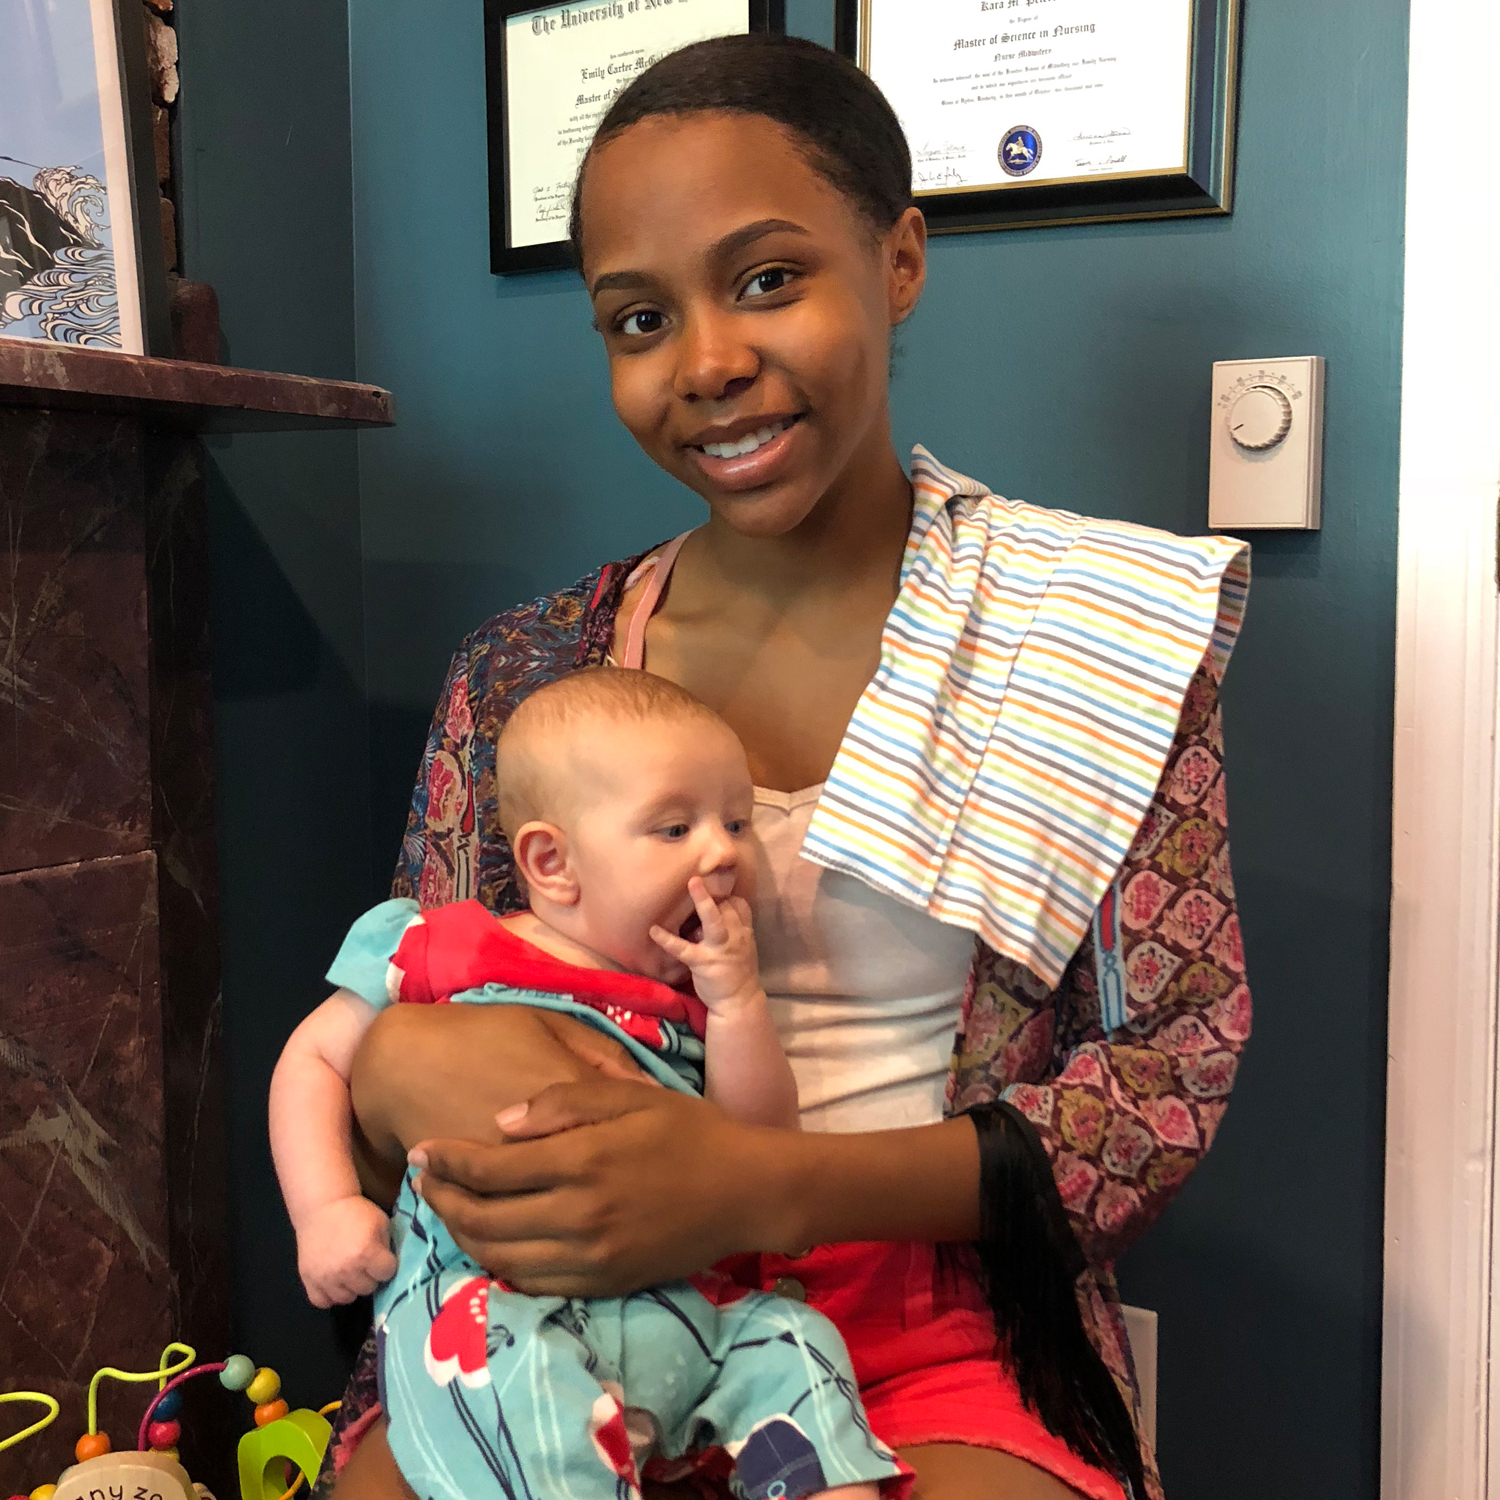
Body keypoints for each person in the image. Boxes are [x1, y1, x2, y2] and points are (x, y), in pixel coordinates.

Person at [312, 32, 1251, 1500]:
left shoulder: (1092, 637)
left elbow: (1166, 1080)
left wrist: (756, 1184)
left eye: (766, 279)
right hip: (562, 1306)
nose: (707, 363)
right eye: (637, 318)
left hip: (943, 1326)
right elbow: (403, 1018)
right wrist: (425, 1078)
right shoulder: (524, 677)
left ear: (899, 263)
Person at [271, 668, 904, 1500]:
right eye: (676, 828)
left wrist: (739, 1003)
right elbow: (312, 1059)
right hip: (495, 1309)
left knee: (794, 1337)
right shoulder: (439, 948)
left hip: (684, 1315)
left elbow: (758, 1142)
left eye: (738, 822)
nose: (723, 852)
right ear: (552, 861)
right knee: (514, 1384)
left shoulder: (694, 1000)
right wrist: (323, 1212)